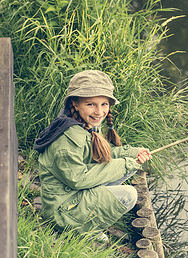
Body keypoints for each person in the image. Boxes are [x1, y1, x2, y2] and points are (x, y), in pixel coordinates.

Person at [34, 70, 152, 242]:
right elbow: (78, 179)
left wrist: (133, 153)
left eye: (104, 104)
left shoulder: (81, 123)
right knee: (129, 194)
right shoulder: (67, 139)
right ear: (75, 103)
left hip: (74, 195)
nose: (99, 111)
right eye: (91, 104)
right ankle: (81, 228)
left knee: (129, 166)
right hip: (62, 212)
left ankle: (89, 220)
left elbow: (101, 154)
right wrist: (126, 164)